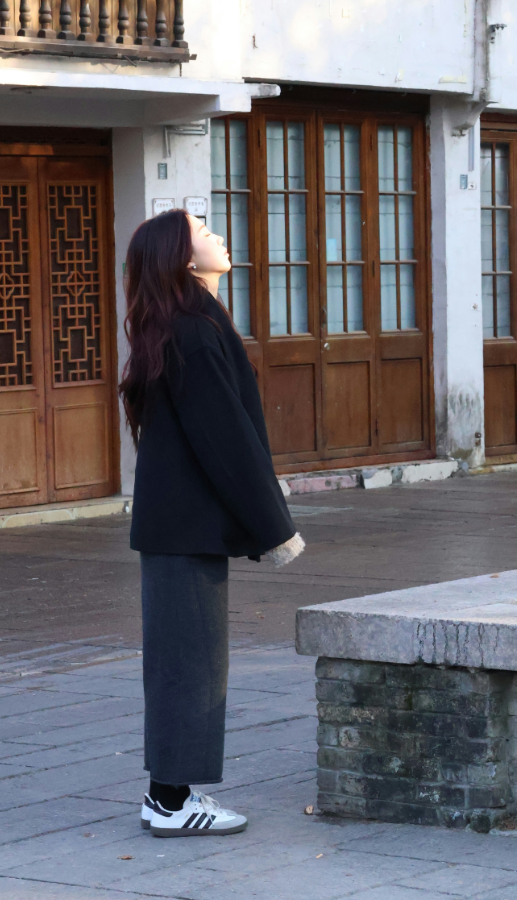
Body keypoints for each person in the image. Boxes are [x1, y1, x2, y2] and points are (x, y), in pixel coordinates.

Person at [119, 209, 304, 838]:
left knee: (186, 662)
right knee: (189, 666)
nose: (218, 235)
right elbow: (226, 440)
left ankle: (170, 795)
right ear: (182, 256)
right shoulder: (192, 331)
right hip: (184, 529)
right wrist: (274, 528)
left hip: (180, 526)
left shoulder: (186, 323)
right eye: (202, 230)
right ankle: (169, 802)